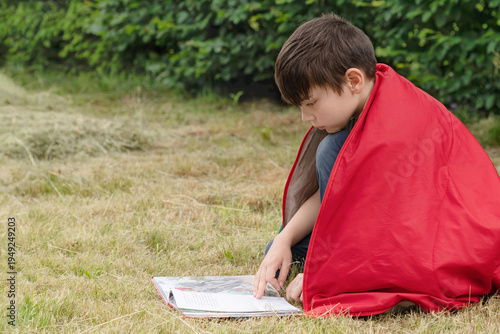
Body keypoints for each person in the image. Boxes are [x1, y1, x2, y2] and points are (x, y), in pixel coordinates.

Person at [253, 13, 500, 316]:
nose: (306, 117)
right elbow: (336, 196)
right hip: (394, 232)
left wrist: (330, 276)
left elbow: (399, 230)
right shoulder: (366, 103)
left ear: (353, 81)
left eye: (311, 103)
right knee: (279, 253)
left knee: (331, 150)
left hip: (453, 241)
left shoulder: (394, 128)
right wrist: (284, 238)